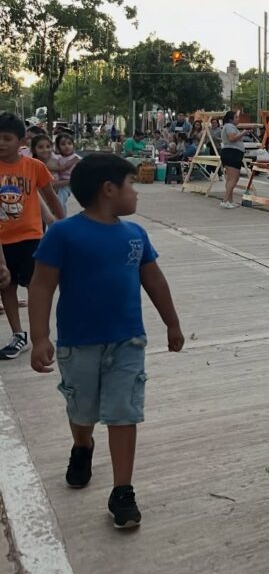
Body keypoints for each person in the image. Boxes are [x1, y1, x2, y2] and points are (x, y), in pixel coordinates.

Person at [28, 153, 184, 529]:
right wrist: (39, 337)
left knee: (123, 412)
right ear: (109, 190)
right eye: (132, 184)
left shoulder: (135, 235)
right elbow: (42, 285)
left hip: (127, 342)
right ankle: (82, 446)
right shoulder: (64, 234)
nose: (137, 193)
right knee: (82, 410)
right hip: (78, 343)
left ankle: (122, 491)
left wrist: (172, 324)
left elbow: (155, 280)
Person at [0, 114, 65, 360]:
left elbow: (51, 198)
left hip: (30, 236)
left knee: (36, 286)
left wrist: (64, 225)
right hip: (2, 241)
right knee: (6, 286)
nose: (1, 143)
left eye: (7, 138)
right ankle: (19, 334)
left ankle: (41, 332)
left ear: (21, 140)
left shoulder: (34, 167)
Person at [30, 134, 60, 228]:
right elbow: (51, 185)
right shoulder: (32, 165)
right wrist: (68, 181)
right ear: (34, 149)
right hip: (36, 206)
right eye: (40, 147)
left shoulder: (56, 162)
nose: (45, 150)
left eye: (48, 146)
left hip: (50, 204)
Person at [220, 111, 245, 209]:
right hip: (232, 153)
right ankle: (225, 200)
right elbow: (232, 138)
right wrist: (244, 132)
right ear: (231, 119)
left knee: (231, 178)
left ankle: (230, 200)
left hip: (232, 153)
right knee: (233, 179)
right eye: (236, 117)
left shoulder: (229, 126)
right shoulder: (229, 126)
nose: (238, 119)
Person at [53, 134, 82, 211]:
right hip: (61, 182)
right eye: (63, 144)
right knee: (61, 201)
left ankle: (58, 212)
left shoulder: (76, 158)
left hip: (70, 183)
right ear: (58, 147)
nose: (67, 146)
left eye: (69, 143)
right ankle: (62, 215)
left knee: (60, 200)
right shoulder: (59, 158)